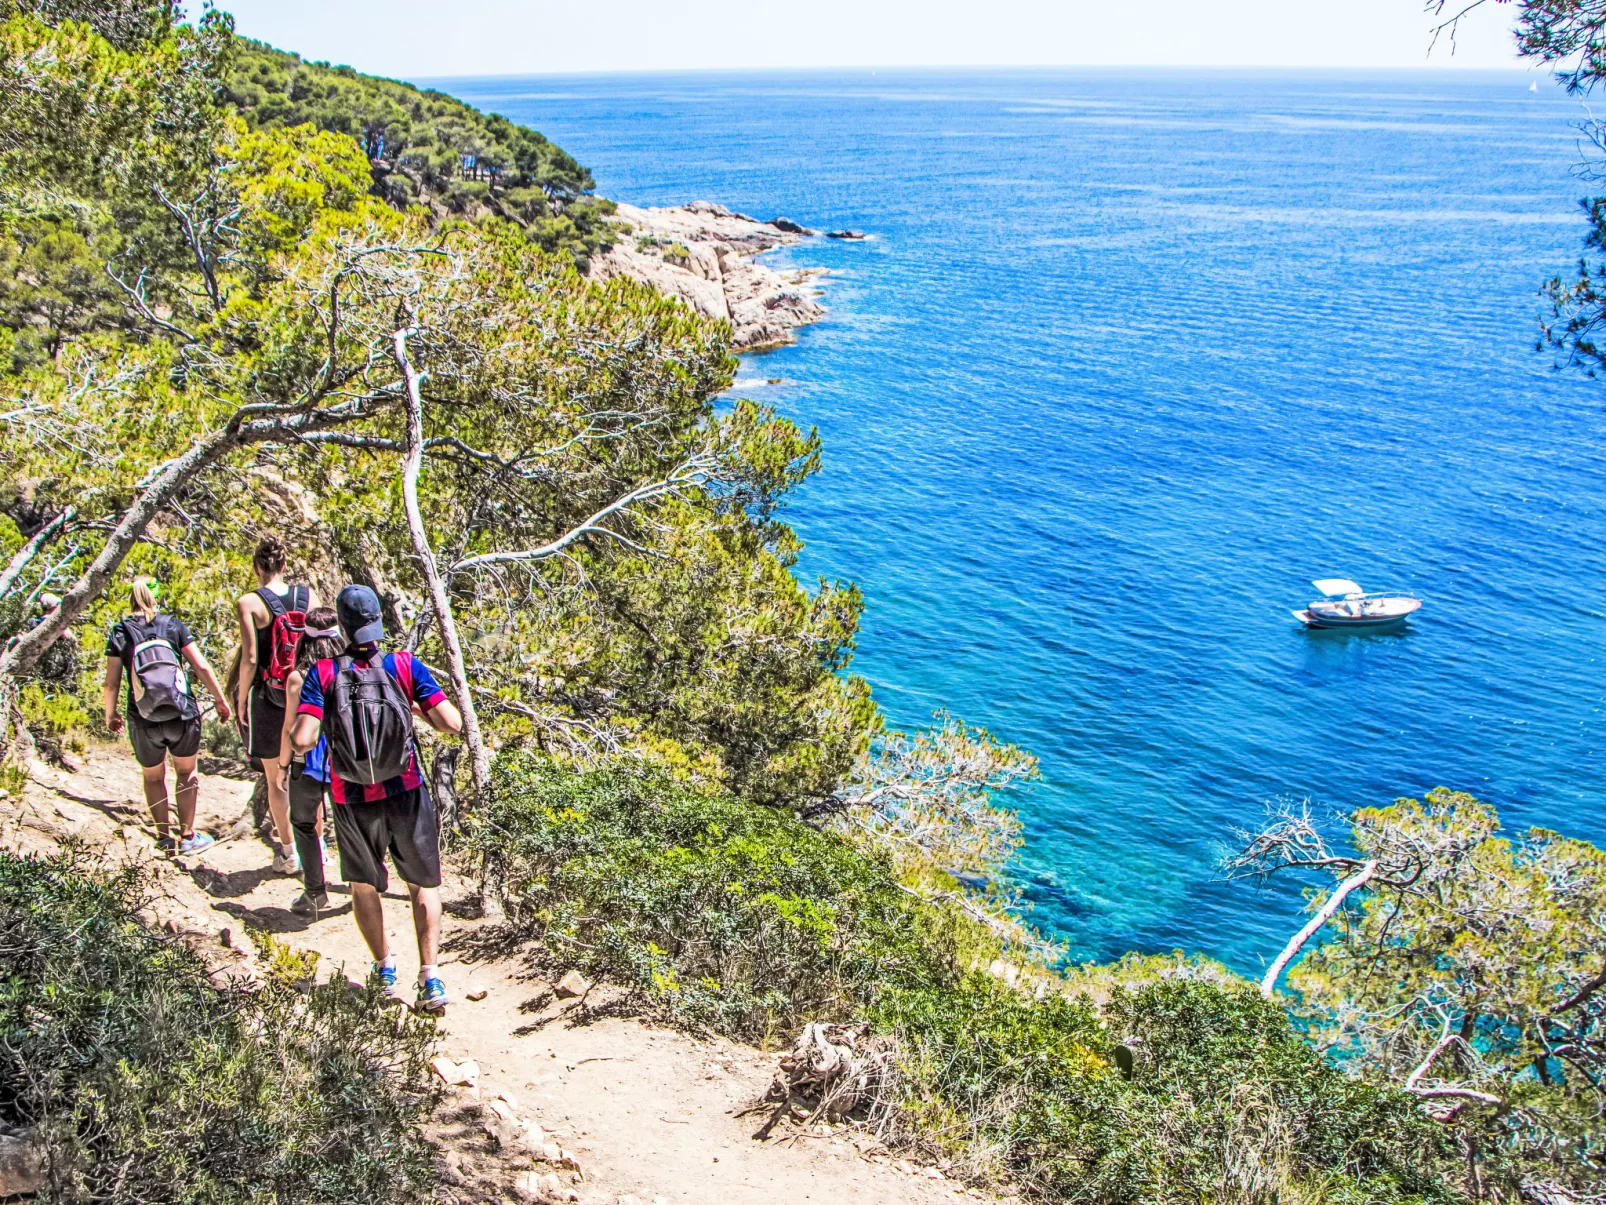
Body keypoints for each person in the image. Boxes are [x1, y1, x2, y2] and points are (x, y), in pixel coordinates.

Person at [289, 584, 461, 1012]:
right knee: (422, 884)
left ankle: (384, 969)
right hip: (405, 789)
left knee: (364, 886)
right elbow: (452, 724)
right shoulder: (404, 665)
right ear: (379, 621)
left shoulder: (324, 673)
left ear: (343, 627)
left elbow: (303, 738)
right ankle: (430, 978)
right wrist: (414, 708)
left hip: (351, 796)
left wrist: (310, 727)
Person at [103, 579, 232, 854]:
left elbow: (111, 683)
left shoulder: (120, 632)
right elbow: (201, 666)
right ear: (157, 597)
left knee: (152, 777)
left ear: (131, 599)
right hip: (181, 714)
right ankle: (187, 836)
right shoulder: (172, 625)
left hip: (143, 716)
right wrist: (220, 700)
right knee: (186, 773)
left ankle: (163, 837)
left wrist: (110, 714)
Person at [236, 535, 318, 876]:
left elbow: (250, 658)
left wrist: (241, 699)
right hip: (306, 697)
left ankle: (288, 853)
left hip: (269, 696)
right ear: (284, 566)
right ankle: (317, 846)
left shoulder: (249, 603)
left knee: (275, 780)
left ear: (257, 567)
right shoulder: (309, 596)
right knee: (309, 775)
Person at [278, 606, 344, 918]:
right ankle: (367, 884)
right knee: (350, 823)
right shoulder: (349, 670)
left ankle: (315, 893)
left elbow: (289, 727)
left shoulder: (297, 677)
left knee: (303, 823)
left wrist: (282, 766)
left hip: (307, 761)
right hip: (346, 757)